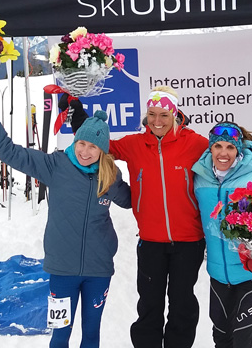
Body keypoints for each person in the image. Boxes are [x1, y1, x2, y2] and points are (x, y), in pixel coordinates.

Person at [0, 92, 131, 348]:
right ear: (75, 141)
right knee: (60, 336)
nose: (85, 152)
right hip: (62, 270)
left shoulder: (109, 175)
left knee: (91, 334)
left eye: (93, 147)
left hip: (99, 271)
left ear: (103, 151)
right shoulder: (56, 165)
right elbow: (10, 152)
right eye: (82, 144)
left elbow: (133, 200)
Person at [66, 85, 208, 348]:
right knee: (149, 305)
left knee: (182, 304)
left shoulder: (195, 144)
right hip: (151, 241)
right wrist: (79, 118)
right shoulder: (135, 144)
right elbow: (97, 145)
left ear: (175, 115)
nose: (157, 121)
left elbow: (226, 157)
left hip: (189, 242)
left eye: (164, 115)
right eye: (152, 114)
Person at [192, 121, 252, 348]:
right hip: (218, 272)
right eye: (218, 146)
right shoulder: (199, 178)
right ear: (210, 148)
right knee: (221, 337)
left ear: (239, 149)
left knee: (243, 339)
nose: (223, 153)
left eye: (230, 148)